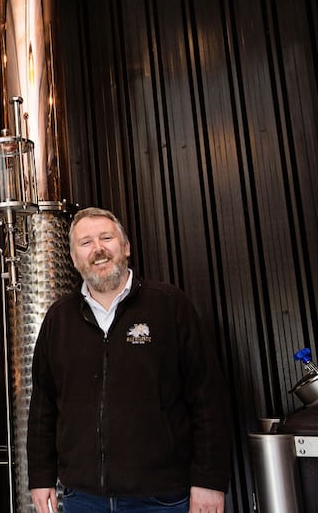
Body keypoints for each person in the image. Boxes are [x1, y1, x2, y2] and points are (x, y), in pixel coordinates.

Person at [27, 207, 231, 513]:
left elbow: (207, 397)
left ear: (125, 247)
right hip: (81, 499)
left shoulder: (169, 305)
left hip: (161, 498)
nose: (97, 249)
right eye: (85, 243)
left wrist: (210, 481)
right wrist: (41, 477)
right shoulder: (59, 319)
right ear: (73, 259)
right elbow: (43, 406)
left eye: (106, 238)